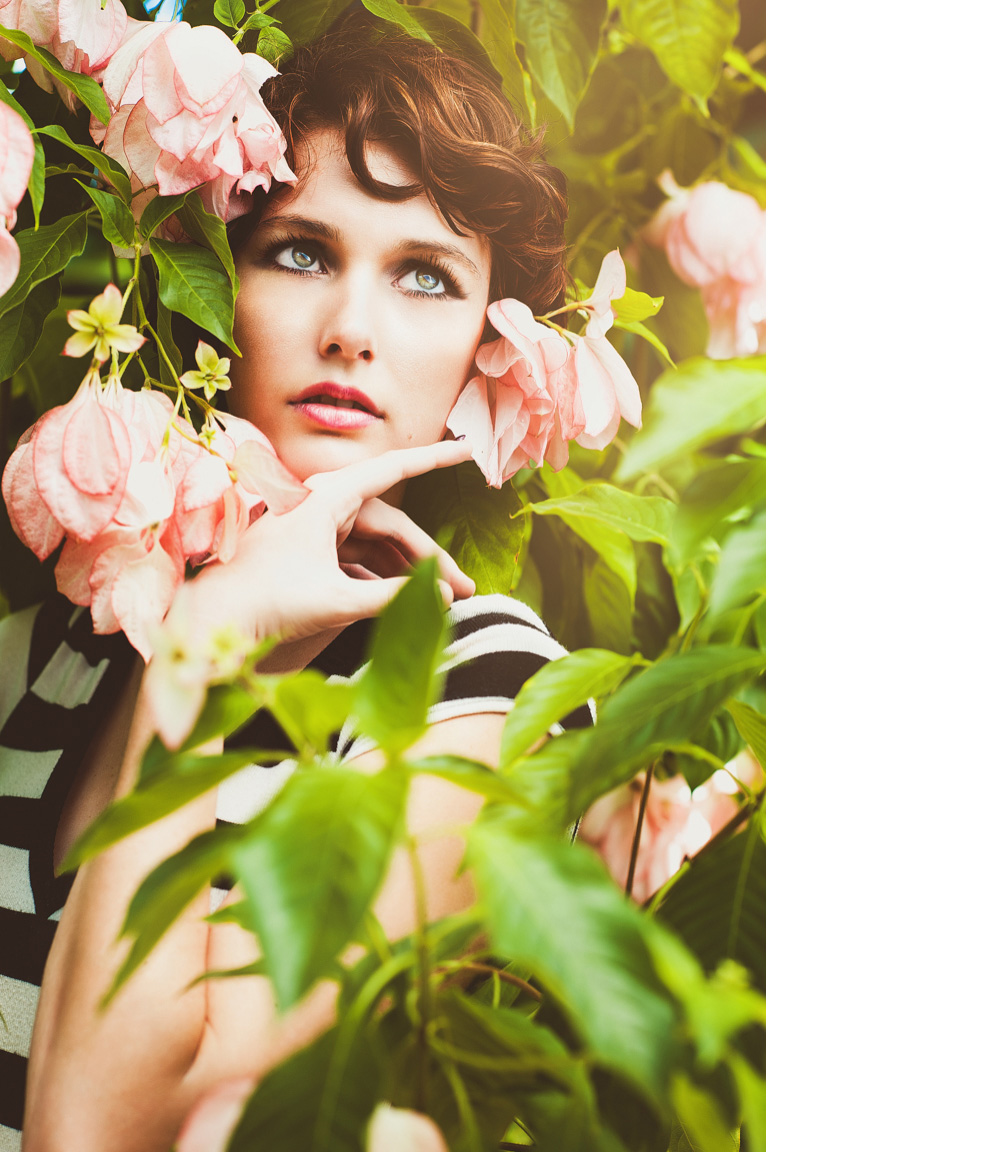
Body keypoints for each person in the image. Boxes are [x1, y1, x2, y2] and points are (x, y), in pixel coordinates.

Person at [0, 12, 593, 1152]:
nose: (351, 331)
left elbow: (101, 1130)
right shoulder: (51, 652)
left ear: (488, 348)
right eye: (301, 252)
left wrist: (201, 656)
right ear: (215, 276)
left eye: (425, 276)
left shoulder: (485, 694)